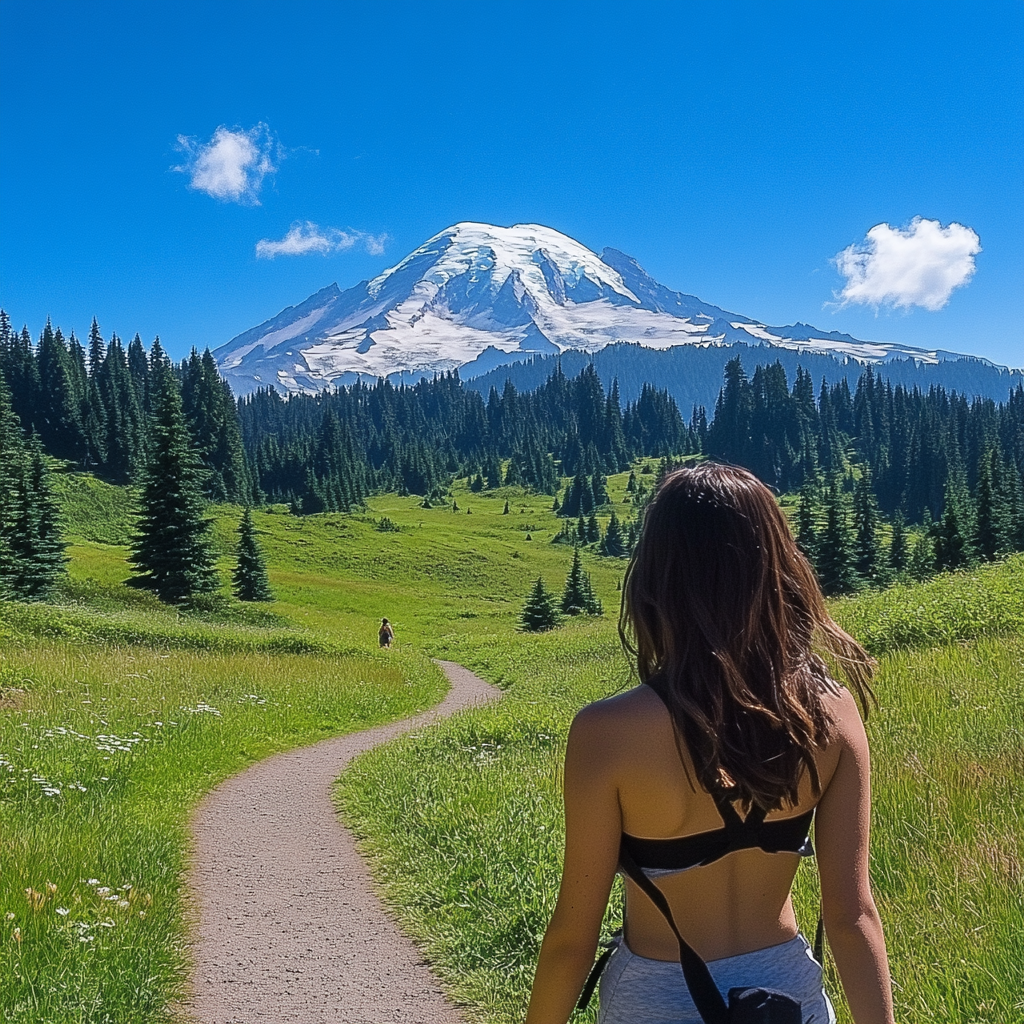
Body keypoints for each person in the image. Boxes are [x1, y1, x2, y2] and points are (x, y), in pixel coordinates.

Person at [525, 463, 894, 1024]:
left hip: (653, 999)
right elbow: (852, 916)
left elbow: (572, 940)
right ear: (778, 570)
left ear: (657, 580)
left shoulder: (607, 733)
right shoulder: (831, 714)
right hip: (786, 1000)